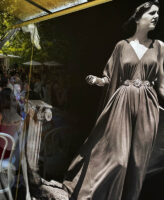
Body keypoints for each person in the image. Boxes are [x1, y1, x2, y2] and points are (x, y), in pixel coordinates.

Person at [63, 1, 163, 200]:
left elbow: (162, 83)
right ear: (137, 17)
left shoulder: (159, 46)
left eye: (158, 13)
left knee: (138, 163)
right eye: (152, 12)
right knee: (119, 160)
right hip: (123, 103)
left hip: (148, 106)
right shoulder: (121, 46)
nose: (156, 16)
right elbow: (109, 78)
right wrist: (97, 80)